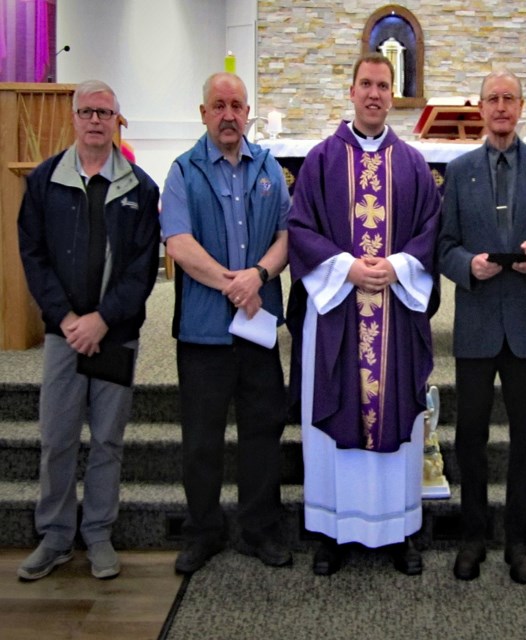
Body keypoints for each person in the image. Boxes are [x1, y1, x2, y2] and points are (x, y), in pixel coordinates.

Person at [286, 53, 441, 577]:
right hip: (338, 316)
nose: (374, 94)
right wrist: (347, 269)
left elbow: (431, 231)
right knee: (335, 410)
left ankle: (397, 529)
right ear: (350, 91)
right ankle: (332, 530)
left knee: (394, 409)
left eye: (383, 86)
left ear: (391, 95)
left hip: (394, 315)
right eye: (366, 84)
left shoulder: (414, 164)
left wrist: (397, 267)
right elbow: (300, 229)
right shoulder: (321, 160)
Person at [17, 80, 160, 580]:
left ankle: (98, 531)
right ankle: (55, 536)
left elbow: (143, 269)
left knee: (107, 441)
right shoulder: (42, 182)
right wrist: (68, 319)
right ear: (73, 118)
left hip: (115, 335)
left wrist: (103, 319)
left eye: (105, 112)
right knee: (57, 438)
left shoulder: (141, 189)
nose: (95, 120)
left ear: (117, 121)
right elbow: (33, 258)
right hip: (63, 335)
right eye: (87, 111)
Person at [438, 69, 526, 585]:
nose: (500, 107)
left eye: (508, 98)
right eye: (492, 99)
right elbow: (443, 246)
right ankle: (473, 537)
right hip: (475, 321)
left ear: (520, 106)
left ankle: (519, 542)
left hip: (525, 320)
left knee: (525, 439)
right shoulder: (460, 169)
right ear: (480, 108)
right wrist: (467, 266)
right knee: (470, 436)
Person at [160, 72, 291, 575]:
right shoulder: (183, 170)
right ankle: (204, 532)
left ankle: (259, 529)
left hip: (256, 328)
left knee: (262, 430)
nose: (229, 114)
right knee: (202, 439)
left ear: (248, 112)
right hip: (203, 332)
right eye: (219, 105)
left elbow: (286, 234)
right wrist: (231, 282)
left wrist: (258, 275)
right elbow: (178, 242)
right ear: (203, 113)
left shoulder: (268, 168)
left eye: (237, 105)